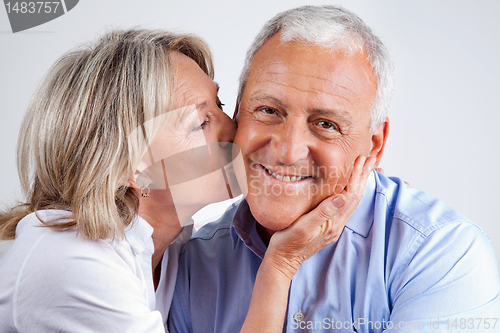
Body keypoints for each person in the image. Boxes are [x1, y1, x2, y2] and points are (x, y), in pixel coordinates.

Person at [0, 28, 373, 332]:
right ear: (129, 167)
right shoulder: (73, 261)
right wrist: (280, 265)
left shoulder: (169, 246)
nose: (236, 129)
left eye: (221, 105)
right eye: (201, 123)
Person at [168, 5, 500, 333]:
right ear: (239, 112)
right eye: (268, 110)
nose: (288, 151)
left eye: (326, 124)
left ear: (374, 146)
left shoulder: (440, 255)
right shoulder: (195, 263)